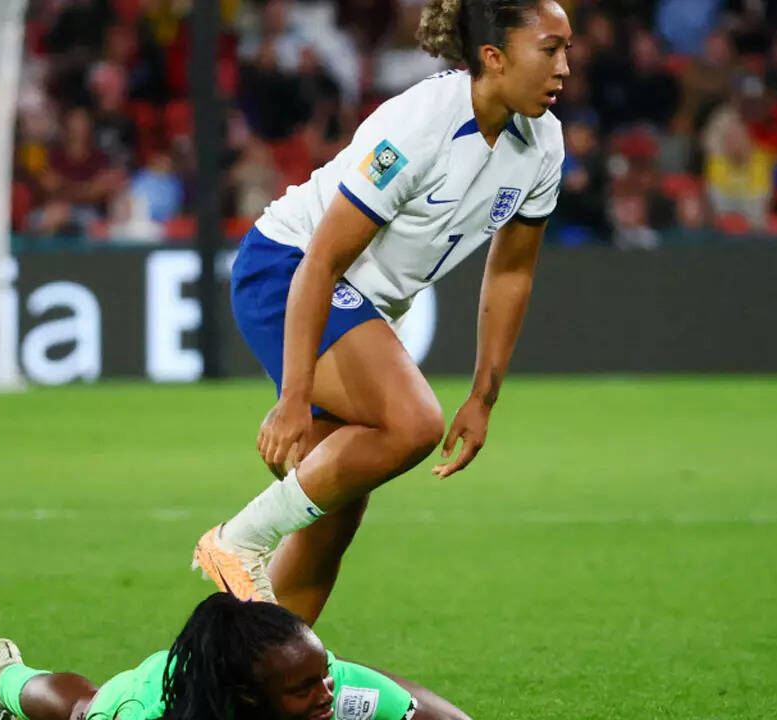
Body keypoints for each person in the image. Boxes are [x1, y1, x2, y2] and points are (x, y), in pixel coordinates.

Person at [191, 0, 571, 622]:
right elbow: (321, 261)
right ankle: (239, 539)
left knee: (332, 519)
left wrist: (483, 397)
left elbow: (510, 273)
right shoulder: (420, 123)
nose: (563, 68)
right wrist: (294, 397)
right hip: (287, 269)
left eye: (567, 51)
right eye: (549, 49)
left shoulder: (544, 143)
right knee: (413, 423)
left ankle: (265, 667)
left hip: (358, 298)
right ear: (495, 58)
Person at [0, 593, 469, 720]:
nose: (326, 695)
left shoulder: (323, 684)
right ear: (248, 696)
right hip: (150, 695)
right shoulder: (145, 713)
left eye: (324, 676)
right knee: (81, 707)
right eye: (304, 688)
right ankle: (3, 676)